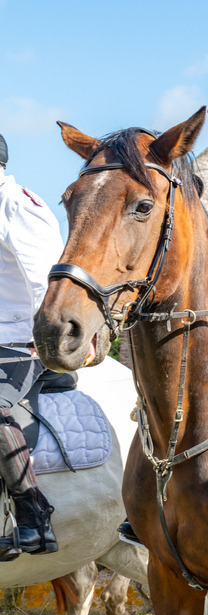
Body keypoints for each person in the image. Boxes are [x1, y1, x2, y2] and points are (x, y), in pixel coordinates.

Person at [0, 131, 65, 560]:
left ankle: (32, 513)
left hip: (23, 344)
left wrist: (45, 342)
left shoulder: (17, 206)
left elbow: (46, 281)